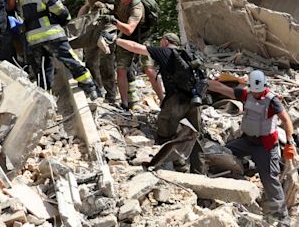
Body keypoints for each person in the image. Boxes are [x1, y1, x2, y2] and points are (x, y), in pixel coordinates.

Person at [101, 31, 203, 172]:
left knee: (165, 136)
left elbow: (134, 47)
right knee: (195, 136)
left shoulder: (164, 52)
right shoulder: (187, 55)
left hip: (175, 102)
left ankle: (171, 171)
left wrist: (115, 40)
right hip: (194, 100)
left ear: (165, 41)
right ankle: (199, 172)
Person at [208, 70, 295, 226]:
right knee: (223, 152)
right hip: (247, 141)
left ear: (264, 87)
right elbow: (223, 89)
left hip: (265, 146)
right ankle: (247, 167)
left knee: (270, 180)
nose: (255, 94)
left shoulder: (272, 101)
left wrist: (289, 142)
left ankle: (283, 218)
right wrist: (205, 83)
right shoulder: (246, 94)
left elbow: (286, 120)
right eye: (254, 92)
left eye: (258, 91)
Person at [18, 0, 98, 100]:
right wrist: (66, 17)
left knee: (43, 70)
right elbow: (57, 8)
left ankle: (46, 102)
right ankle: (91, 88)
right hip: (51, 33)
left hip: (32, 38)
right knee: (71, 59)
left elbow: (22, 12)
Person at [62, 0, 118, 101]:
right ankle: (97, 89)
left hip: (108, 23)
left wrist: (104, 6)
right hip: (93, 22)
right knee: (90, 58)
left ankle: (111, 95)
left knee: (106, 60)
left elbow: (117, 6)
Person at [104, 0, 164, 110]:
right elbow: (115, 11)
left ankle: (163, 100)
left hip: (141, 38)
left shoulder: (137, 7)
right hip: (126, 38)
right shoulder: (119, 0)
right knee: (121, 70)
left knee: (149, 70)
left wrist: (114, 22)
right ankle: (125, 103)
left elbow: (130, 28)